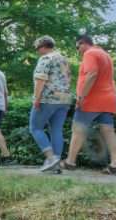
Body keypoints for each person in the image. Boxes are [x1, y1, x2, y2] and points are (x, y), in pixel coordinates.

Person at [61, 35, 116, 175]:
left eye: (78, 47)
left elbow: (92, 74)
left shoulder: (90, 53)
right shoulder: (105, 55)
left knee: (78, 129)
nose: (78, 51)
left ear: (83, 44)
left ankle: (70, 162)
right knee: (108, 131)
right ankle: (115, 165)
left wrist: (82, 96)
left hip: (92, 99)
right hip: (108, 99)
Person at [30, 36, 71, 172]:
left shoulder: (46, 58)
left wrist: (36, 98)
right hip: (65, 99)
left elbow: (40, 80)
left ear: (42, 46)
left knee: (35, 128)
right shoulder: (63, 59)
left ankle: (51, 158)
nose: (37, 52)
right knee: (56, 130)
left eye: (37, 49)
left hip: (48, 98)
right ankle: (57, 165)